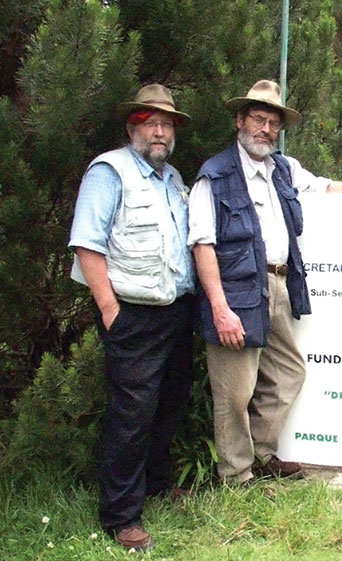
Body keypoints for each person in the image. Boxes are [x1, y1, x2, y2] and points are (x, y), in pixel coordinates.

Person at [188, 80, 342, 485]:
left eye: (274, 122)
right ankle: (235, 476)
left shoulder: (283, 169)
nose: (266, 128)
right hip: (236, 295)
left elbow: (326, 186)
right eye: (258, 118)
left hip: (277, 287)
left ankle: (262, 455)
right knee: (235, 393)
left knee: (289, 373)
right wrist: (220, 308)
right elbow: (202, 245)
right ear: (240, 120)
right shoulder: (214, 176)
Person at [69, 84, 196, 551]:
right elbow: (87, 243)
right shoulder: (110, 171)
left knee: (168, 405)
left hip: (176, 312)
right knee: (131, 416)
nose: (160, 131)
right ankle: (121, 515)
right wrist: (111, 312)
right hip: (133, 316)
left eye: (167, 124)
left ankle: (154, 485)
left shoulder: (172, 178)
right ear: (132, 127)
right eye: (151, 123)